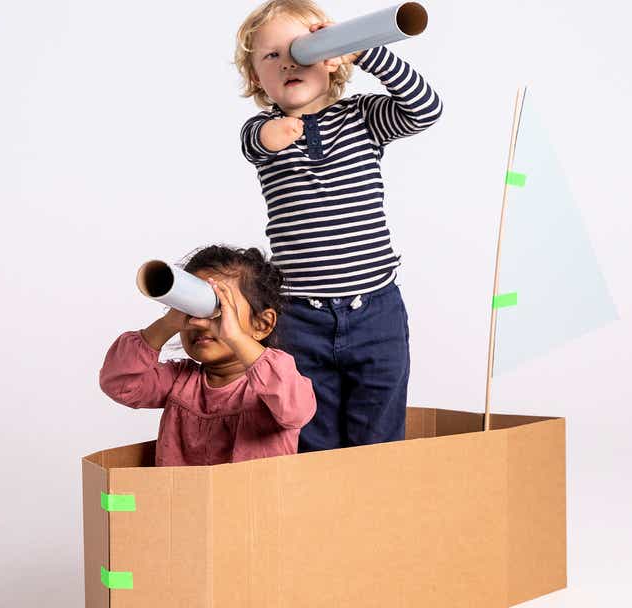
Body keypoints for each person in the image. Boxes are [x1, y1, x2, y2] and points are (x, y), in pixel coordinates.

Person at [234, 0, 442, 451]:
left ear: (329, 61)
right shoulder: (261, 131)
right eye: (272, 56)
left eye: (303, 49)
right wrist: (272, 134)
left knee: (379, 430)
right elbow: (254, 144)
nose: (289, 60)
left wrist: (366, 51)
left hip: (375, 309)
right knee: (310, 431)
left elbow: (425, 108)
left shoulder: (363, 118)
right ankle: (321, 515)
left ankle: (376, 513)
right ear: (256, 78)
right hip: (299, 316)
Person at [99, 245, 316, 465]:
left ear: (261, 324)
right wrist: (167, 324)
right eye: (191, 311)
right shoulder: (179, 381)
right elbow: (119, 383)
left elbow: (296, 410)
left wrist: (235, 337)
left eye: (219, 310)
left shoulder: (273, 385)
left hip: (254, 499)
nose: (203, 324)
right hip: (183, 499)